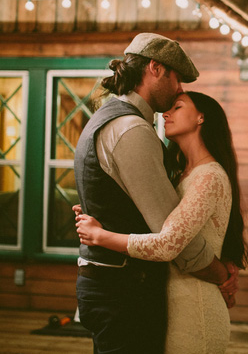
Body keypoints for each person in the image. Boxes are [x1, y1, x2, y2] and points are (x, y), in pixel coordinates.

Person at [73, 33, 238, 354]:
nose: (179, 88)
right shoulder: (133, 129)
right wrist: (222, 274)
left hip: (113, 286)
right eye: (177, 79)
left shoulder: (105, 119)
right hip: (125, 291)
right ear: (155, 68)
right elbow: (172, 236)